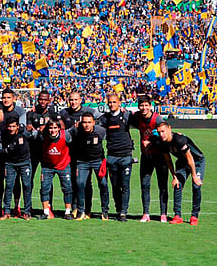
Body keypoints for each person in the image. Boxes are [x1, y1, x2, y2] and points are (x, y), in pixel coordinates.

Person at [57, 92, 101, 218]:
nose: (73, 102)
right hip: (69, 153)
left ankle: (87, 209)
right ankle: (76, 207)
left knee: (87, 183)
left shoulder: (89, 110)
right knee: (74, 182)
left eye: (76, 100)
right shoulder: (64, 113)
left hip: (85, 153)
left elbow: (102, 119)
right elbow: (54, 116)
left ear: (80, 100)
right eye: (71, 100)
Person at [129, 96, 169, 223]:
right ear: (138, 106)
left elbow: (165, 133)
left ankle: (163, 213)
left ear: (150, 106)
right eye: (141, 105)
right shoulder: (137, 117)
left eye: (146, 105)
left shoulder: (157, 119)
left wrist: (151, 141)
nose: (144, 108)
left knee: (162, 185)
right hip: (146, 156)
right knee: (145, 185)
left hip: (160, 156)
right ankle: (146, 213)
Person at [157, 122, 205, 226]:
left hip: (196, 162)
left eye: (163, 131)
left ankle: (194, 216)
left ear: (169, 129)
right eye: (159, 132)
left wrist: (194, 176)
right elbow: (168, 161)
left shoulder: (179, 140)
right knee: (177, 185)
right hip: (182, 162)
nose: (161, 134)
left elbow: (190, 158)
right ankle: (177, 216)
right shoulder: (163, 143)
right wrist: (174, 176)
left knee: (196, 186)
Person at [0, 87, 26, 217]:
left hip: (15, 151)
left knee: (15, 181)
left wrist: (3, 135)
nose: (6, 100)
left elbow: (21, 129)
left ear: (14, 99)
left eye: (8, 98)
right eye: (3, 98)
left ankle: (16, 206)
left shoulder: (20, 111)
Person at [68, 112, 109, 221]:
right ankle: (81, 211)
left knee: (103, 184)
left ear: (93, 123)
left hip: (98, 161)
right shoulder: (76, 130)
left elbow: (112, 138)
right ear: (81, 123)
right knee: (80, 184)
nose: (87, 125)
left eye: (89, 122)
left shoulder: (100, 131)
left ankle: (105, 211)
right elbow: (65, 135)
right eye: (84, 122)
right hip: (82, 162)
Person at [100, 94, 134, 222]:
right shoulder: (105, 119)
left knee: (125, 185)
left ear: (119, 103)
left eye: (114, 102)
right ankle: (118, 208)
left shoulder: (127, 116)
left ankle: (123, 212)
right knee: (115, 185)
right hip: (112, 156)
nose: (112, 104)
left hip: (125, 156)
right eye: (110, 102)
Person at [37, 119, 73, 220]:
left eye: (55, 128)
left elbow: (72, 145)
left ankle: (67, 212)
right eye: (51, 128)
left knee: (67, 188)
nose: (53, 130)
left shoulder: (66, 135)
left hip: (63, 165)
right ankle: (46, 212)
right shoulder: (42, 136)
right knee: (44, 188)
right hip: (47, 166)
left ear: (59, 128)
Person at [0, 116, 33, 220]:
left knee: (27, 186)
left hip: (25, 162)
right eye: (9, 126)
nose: (11, 129)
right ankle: (7, 211)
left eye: (13, 126)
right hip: (10, 163)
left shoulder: (24, 132)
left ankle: (27, 212)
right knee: (9, 186)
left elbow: (35, 135)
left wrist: (33, 129)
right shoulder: (3, 134)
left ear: (17, 126)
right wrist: (7, 150)